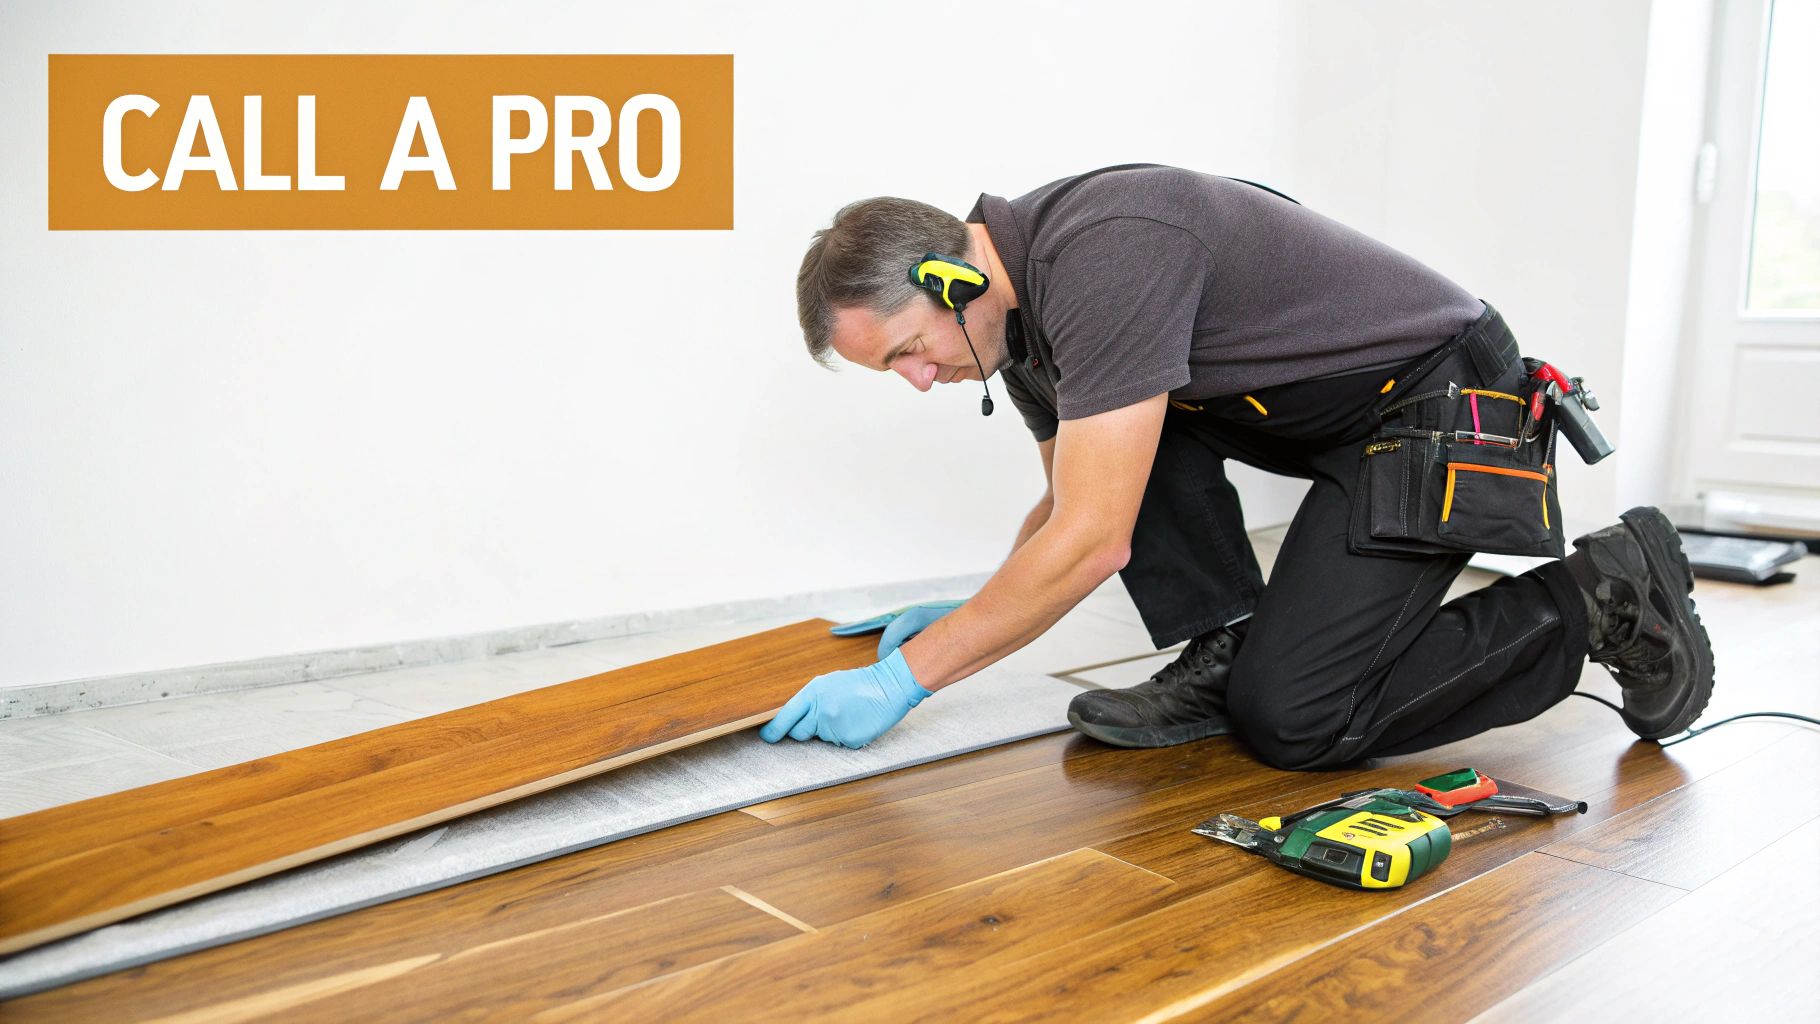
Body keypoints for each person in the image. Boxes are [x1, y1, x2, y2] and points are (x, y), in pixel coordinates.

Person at [761, 163, 1714, 770]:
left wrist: (912, 679)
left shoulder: (1106, 253)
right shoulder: (1023, 330)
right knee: (1125, 436)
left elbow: (1094, 544)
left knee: (1298, 720)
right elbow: (1073, 501)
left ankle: (1597, 598)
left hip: (1441, 405)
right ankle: (1229, 645)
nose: (921, 381)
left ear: (950, 280)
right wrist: (973, 604)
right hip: (1346, 421)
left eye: (908, 352)